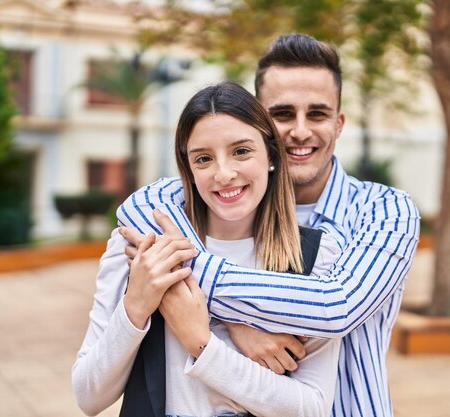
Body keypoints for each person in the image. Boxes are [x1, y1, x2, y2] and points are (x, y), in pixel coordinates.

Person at [119, 34, 420, 417]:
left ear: (339, 123)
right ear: (257, 122)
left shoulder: (385, 210)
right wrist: (238, 327)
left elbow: (337, 305)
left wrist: (206, 293)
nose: (299, 131)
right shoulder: (222, 200)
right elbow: (140, 205)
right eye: (281, 114)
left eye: (317, 114)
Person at [72, 82, 341, 417]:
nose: (224, 174)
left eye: (241, 151)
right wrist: (136, 306)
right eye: (204, 159)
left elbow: (311, 408)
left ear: (271, 156)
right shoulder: (140, 246)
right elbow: (88, 396)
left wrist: (203, 342)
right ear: (188, 168)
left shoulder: (316, 255)